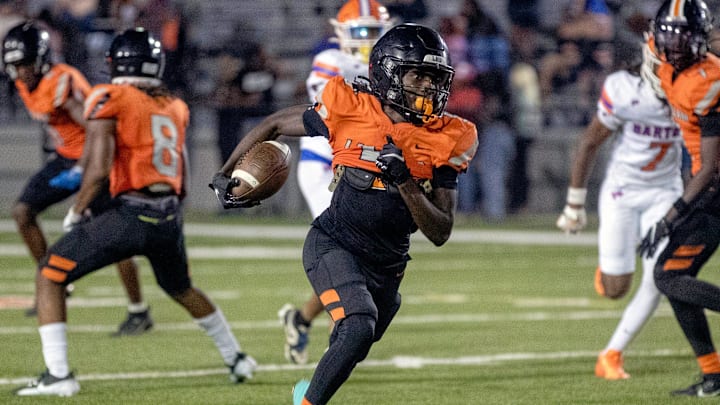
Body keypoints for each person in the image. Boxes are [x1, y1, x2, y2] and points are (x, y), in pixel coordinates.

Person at [211, 23, 477, 405]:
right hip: (334, 243)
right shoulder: (350, 107)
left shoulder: (449, 136)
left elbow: (440, 230)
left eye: (435, 78)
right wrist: (225, 175)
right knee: (357, 326)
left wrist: (404, 180)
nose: (428, 87)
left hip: (388, 266)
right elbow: (271, 124)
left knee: (356, 340)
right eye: (418, 75)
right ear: (388, 73)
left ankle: (307, 392)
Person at [13, 28, 256, 397]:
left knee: (49, 275)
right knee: (181, 287)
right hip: (168, 214)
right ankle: (236, 357)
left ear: (115, 63)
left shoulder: (110, 96)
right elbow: (182, 170)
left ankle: (58, 375)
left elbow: (97, 167)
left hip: (129, 214)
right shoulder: (174, 106)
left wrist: (78, 209)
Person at [2, 21, 153, 335]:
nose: (21, 71)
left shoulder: (63, 83)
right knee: (22, 212)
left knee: (114, 238)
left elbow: (96, 128)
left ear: (41, 58)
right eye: (15, 65)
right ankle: (56, 285)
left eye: (25, 63)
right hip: (66, 158)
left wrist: (87, 171)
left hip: (93, 159)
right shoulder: (23, 82)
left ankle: (138, 310)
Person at [556, 38, 683, 380]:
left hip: (666, 193)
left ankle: (611, 354)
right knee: (616, 289)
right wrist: (574, 205)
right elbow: (589, 142)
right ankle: (609, 271)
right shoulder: (624, 89)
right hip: (622, 191)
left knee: (659, 276)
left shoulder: (697, 88)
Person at [277, 0, 394, 366]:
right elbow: (338, 109)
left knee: (364, 260)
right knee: (348, 253)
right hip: (326, 167)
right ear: (340, 32)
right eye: (359, 31)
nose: (367, 39)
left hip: (366, 167)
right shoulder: (332, 61)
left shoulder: (385, 65)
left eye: (374, 31)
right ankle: (340, 338)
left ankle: (302, 319)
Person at [638, 0, 720, 397]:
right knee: (672, 278)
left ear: (699, 38)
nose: (670, 43)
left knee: (668, 276)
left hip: (714, 189)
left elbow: (708, 168)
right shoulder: (669, 64)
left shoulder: (708, 79)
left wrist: (669, 217)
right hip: (706, 190)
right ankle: (713, 375)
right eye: (666, 33)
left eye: (680, 35)